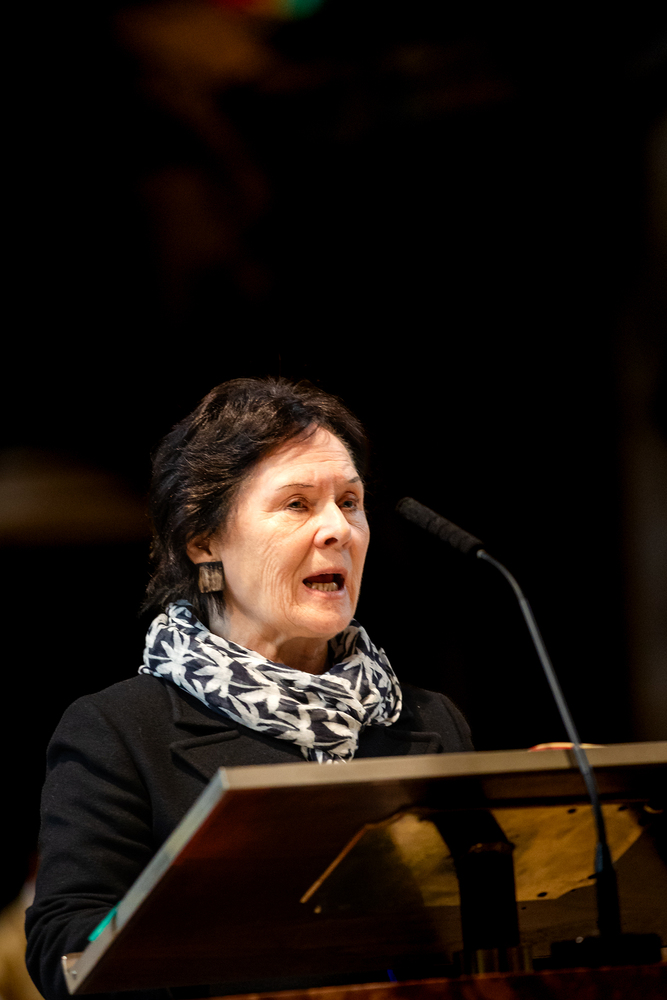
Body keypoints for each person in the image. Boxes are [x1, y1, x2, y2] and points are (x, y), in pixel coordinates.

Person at [25, 377, 473, 1000]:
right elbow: (64, 947)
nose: (337, 529)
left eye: (350, 501)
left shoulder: (429, 721)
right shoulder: (120, 731)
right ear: (204, 541)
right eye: (297, 504)